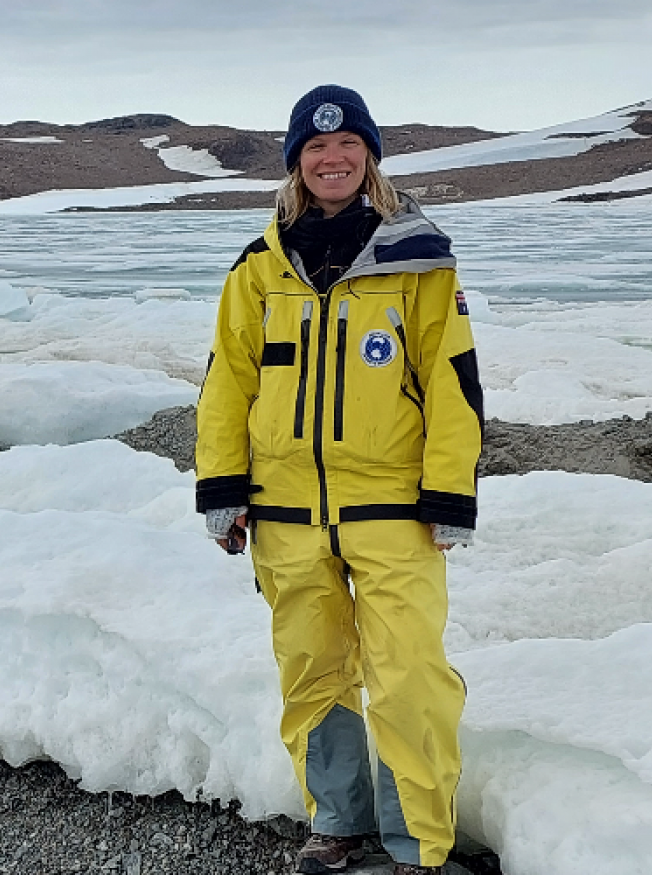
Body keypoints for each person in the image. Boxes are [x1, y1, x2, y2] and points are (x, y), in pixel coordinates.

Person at [195, 85, 483, 875]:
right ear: (296, 162)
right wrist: (222, 488)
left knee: (408, 673)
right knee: (313, 674)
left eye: (348, 145)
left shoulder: (418, 259)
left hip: (394, 510)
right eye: (316, 149)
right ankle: (338, 824)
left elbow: (454, 382)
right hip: (285, 513)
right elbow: (227, 385)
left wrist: (451, 491)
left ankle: (417, 845)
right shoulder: (258, 269)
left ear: (369, 156)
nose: (333, 158)